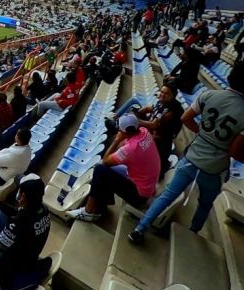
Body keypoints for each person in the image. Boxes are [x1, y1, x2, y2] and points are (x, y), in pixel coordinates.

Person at [129, 63, 244, 244]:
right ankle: (192, 234)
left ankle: (140, 228)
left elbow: (185, 118)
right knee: (204, 204)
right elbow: (235, 151)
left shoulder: (209, 95)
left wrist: (202, 133)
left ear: (230, 76)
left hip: (192, 156)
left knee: (168, 194)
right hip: (214, 167)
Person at [69, 114, 160, 222]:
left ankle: (88, 211)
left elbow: (106, 161)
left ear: (123, 132)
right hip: (148, 184)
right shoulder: (144, 132)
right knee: (107, 171)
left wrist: (116, 140)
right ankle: (102, 205)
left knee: (100, 169)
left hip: (139, 195)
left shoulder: (130, 149)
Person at [134, 84, 184, 179]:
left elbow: (153, 125)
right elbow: (155, 112)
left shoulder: (171, 110)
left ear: (173, 95)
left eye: (166, 93)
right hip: (154, 134)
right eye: (161, 92)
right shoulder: (162, 102)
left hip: (161, 140)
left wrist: (135, 120)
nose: (162, 95)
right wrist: (145, 110)